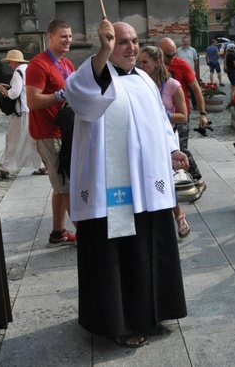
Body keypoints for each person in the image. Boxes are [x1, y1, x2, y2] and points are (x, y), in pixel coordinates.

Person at [64, 19, 188, 348]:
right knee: (118, 255)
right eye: (121, 42)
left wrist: (173, 147)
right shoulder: (92, 77)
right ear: (105, 43)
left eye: (134, 40)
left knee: (146, 248)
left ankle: (151, 313)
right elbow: (77, 95)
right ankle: (122, 322)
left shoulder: (145, 79)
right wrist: (102, 53)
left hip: (147, 188)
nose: (131, 47)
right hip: (113, 193)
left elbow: (160, 120)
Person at [25, 19, 76, 247]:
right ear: (50, 37)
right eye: (63, 36)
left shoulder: (67, 64)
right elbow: (32, 101)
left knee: (60, 185)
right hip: (48, 133)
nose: (68, 40)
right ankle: (84, 235)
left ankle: (58, 233)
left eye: (70, 36)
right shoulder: (38, 65)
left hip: (65, 130)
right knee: (66, 186)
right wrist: (59, 96)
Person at [139, 45, 192, 239]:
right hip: (145, 137)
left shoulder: (172, 85)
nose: (141, 65)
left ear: (157, 63)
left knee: (165, 179)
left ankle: (179, 216)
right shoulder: (139, 83)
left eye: (145, 62)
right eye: (140, 61)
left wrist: (162, 114)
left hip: (167, 137)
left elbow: (183, 116)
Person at [158, 37, 208, 192]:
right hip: (160, 116)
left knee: (182, 148)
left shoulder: (182, 64)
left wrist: (203, 113)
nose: (172, 58)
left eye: (174, 54)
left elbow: (196, 88)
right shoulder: (153, 66)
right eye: (168, 55)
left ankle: (198, 179)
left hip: (180, 115)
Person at [0, 50, 43, 180]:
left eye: (9, 61)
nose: (9, 64)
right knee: (32, 140)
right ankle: (43, 165)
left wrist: (4, 91)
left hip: (21, 111)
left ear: (14, 61)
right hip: (31, 109)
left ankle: (4, 169)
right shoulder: (27, 69)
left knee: (13, 139)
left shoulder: (17, 72)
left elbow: (14, 94)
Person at [176, 35, 199, 109]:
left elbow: (195, 60)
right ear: (182, 42)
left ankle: (195, 105)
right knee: (182, 89)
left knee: (193, 89)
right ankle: (183, 105)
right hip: (181, 73)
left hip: (191, 72)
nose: (186, 43)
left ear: (189, 42)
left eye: (187, 41)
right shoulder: (177, 51)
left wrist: (194, 70)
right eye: (185, 41)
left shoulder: (193, 50)